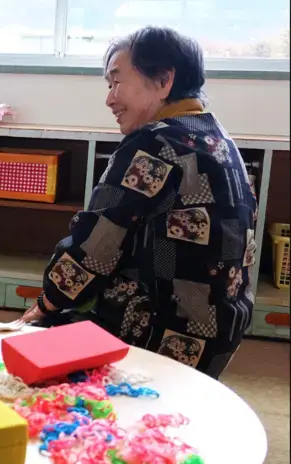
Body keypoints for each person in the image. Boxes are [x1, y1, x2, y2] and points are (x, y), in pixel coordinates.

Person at [22, 27, 257, 380]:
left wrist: (44, 306)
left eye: (117, 82)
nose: (110, 99)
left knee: (22, 347)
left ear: (164, 81)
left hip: (157, 336)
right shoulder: (217, 138)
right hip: (215, 337)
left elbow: (96, 244)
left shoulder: (153, 143)